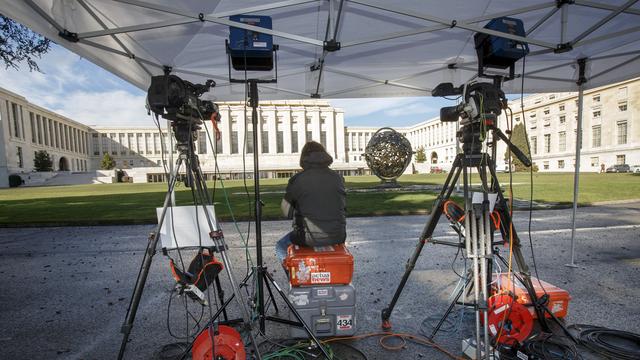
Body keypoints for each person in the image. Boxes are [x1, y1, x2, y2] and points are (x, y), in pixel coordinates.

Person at [275, 141, 347, 267]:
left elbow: (286, 212)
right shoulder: (338, 178)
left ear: (304, 158)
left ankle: (294, 276)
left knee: (281, 247)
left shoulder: (297, 179)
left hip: (306, 238)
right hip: (338, 236)